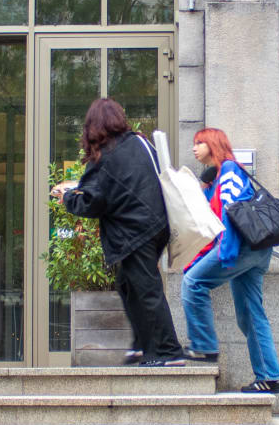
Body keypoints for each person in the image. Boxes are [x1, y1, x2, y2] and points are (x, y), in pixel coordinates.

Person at [51, 98, 186, 366]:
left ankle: (169, 351)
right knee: (128, 284)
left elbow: (92, 202)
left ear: (93, 126)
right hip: (157, 225)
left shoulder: (105, 156)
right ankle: (143, 346)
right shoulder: (140, 142)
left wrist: (67, 197)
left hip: (133, 232)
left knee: (147, 291)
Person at [180, 128, 279, 394]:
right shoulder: (220, 176)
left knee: (193, 282)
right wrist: (204, 190)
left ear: (213, 144)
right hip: (253, 249)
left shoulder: (229, 170)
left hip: (242, 247)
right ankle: (270, 377)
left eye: (199, 143)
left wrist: (226, 252)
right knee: (250, 314)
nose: (194, 148)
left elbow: (230, 211)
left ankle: (204, 345)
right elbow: (210, 214)